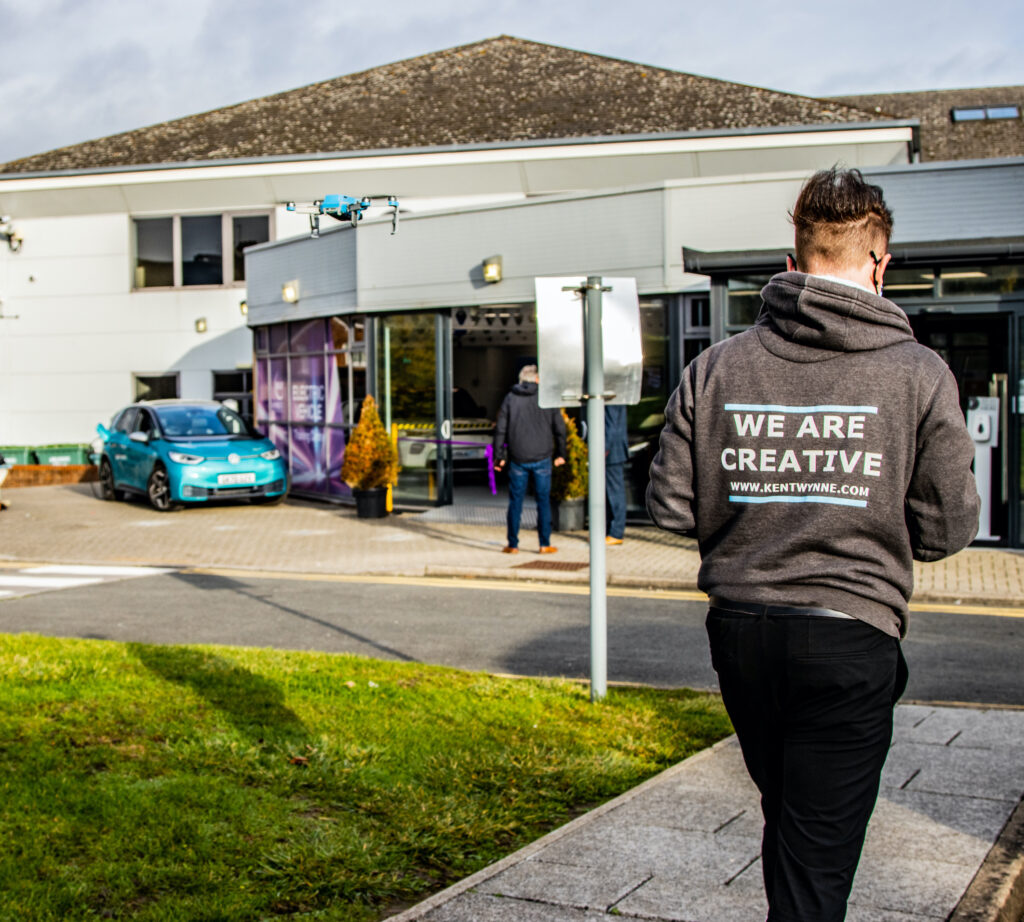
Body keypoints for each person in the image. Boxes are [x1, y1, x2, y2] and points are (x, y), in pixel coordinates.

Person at [646, 167, 980, 922]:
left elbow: (668, 506)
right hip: (850, 635)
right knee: (817, 862)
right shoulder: (919, 374)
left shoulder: (717, 366)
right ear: (880, 262)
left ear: (791, 261)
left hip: (741, 632)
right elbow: (947, 529)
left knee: (793, 827)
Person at [493, 365, 566, 554]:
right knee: (543, 501)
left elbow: (500, 429)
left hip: (518, 458)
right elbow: (560, 428)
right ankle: (544, 544)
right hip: (543, 457)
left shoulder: (510, 398)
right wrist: (561, 454)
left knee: (515, 501)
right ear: (537, 380)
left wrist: (499, 456)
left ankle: (513, 545)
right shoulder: (546, 398)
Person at [604, 404, 629, 545]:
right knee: (609, 492)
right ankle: (610, 530)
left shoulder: (612, 395)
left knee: (615, 492)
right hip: (612, 450)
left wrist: (604, 448)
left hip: (613, 452)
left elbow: (611, 423)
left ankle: (616, 532)